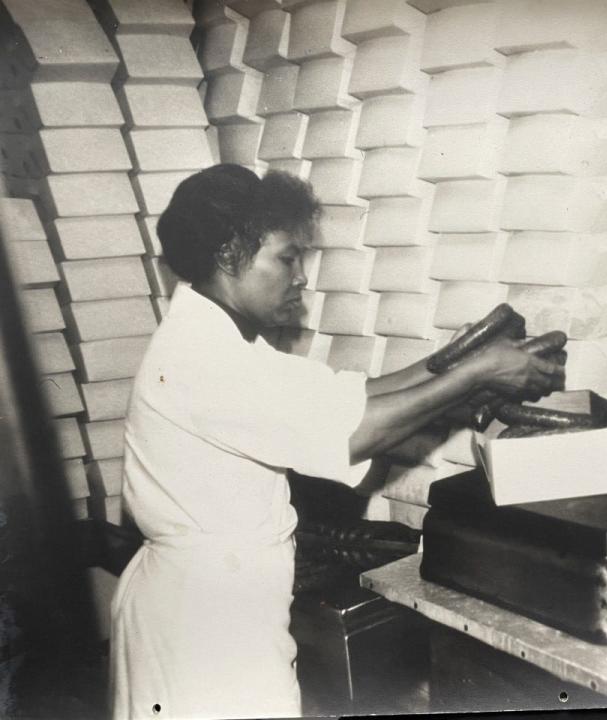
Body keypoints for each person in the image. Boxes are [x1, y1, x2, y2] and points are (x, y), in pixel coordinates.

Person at [109, 164, 564, 720]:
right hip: (203, 624)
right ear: (230, 254)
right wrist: (473, 377)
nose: (301, 277)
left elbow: (345, 398)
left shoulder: (226, 343)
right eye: (286, 257)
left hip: (218, 605)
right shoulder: (198, 361)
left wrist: (459, 361)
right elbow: (352, 432)